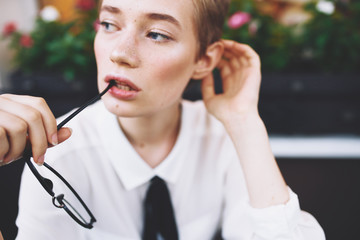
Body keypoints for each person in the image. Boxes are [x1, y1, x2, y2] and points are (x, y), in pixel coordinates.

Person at [0, 0, 325, 239]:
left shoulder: (224, 139)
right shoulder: (57, 152)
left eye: (156, 34)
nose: (120, 53)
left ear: (203, 60)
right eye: (109, 25)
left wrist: (244, 123)